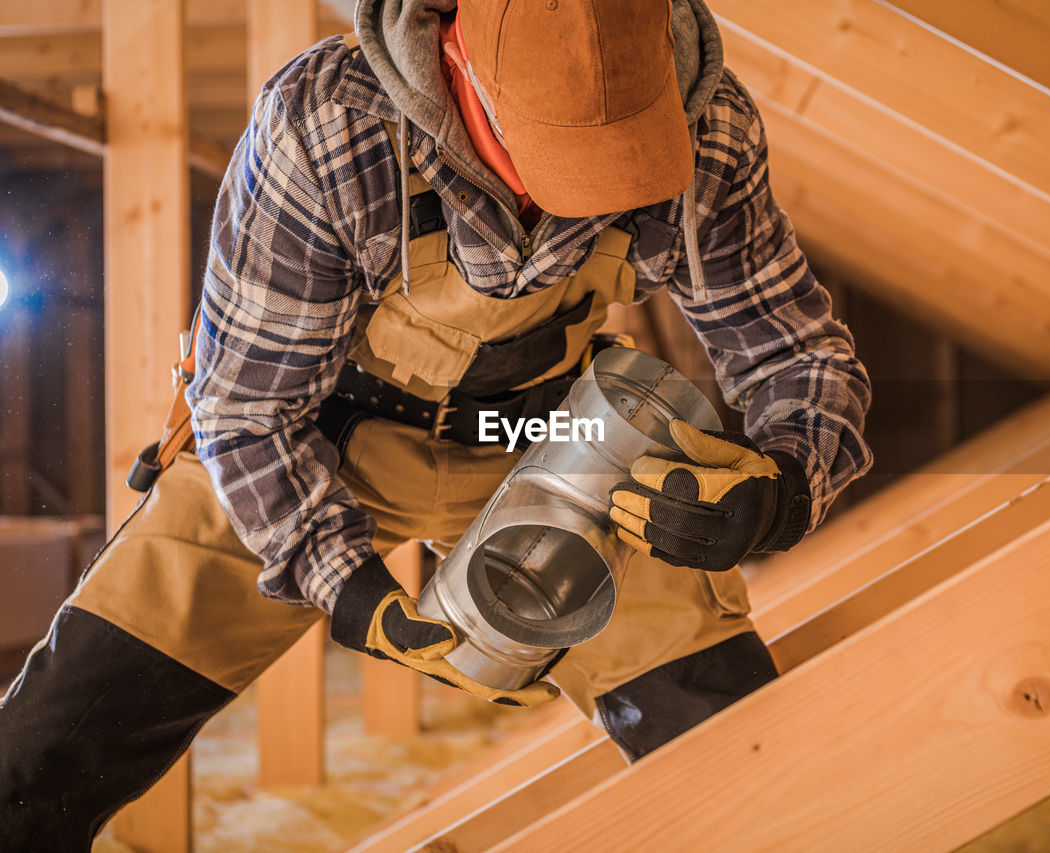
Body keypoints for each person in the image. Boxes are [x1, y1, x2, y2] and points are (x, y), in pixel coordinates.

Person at [0, 0, 872, 847]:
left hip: (540, 439)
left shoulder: (708, 129)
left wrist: (786, 487)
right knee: (39, 758)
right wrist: (342, 582)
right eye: (560, 160)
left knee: (735, 745)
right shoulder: (329, 125)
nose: (575, 203)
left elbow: (799, 357)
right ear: (457, 64)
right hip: (312, 434)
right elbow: (250, 409)